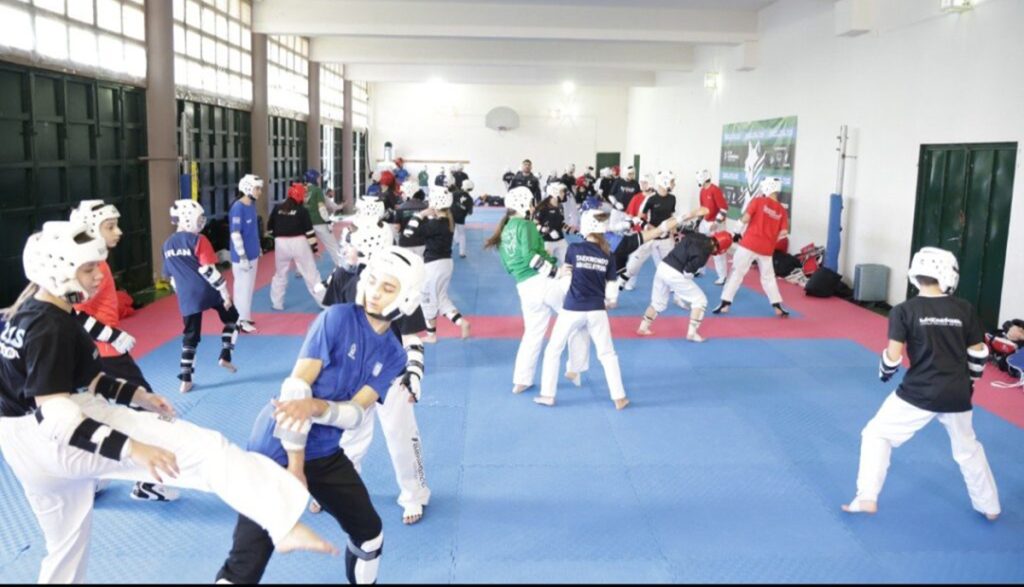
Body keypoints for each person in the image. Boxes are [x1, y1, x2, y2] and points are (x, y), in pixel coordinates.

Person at [0, 221, 336, 584]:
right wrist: (134, 449)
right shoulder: (50, 328)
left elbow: (85, 379)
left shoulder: (29, 311)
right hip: (56, 436)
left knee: (65, 547)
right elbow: (57, 417)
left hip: (22, 448)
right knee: (207, 450)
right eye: (88, 269)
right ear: (58, 271)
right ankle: (281, 521)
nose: (99, 275)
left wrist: (138, 396)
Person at [216, 247, 425, 585]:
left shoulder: (394, 355)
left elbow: (355, 414)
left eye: (388, 287)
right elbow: (296, 390)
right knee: (246, 564)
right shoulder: (337, 318)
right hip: (276, 443)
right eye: (373, 281)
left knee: (370, 534)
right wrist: (295, 467)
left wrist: (317, 408)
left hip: (324, 450)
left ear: (408, 297)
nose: (375, 292)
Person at [842, 247, 1000, 521]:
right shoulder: (964, 308)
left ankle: (867, 496)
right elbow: (978, 354)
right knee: (968, 449)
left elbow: (893, 357)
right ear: (949, 274)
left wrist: (885, 372)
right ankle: (990, 507)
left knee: (876, 434)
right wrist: (970, 382)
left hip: (918, 391)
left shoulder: (904, 310)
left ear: (915, 275)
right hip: (957, 392)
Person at [68, 201, 179, 503]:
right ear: (91, 229)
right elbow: (73, 312)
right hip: (105, 353)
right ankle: (148, 483)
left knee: (94, 412)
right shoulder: (93, 267)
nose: (118, 232)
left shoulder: (93, 263)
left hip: (94, 353)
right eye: (110, 226)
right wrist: (111, 335)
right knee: (150, 408)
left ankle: (92, 479)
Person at [322, 222, 432, 525]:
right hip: (354, 373)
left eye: (352, 246)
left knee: (401, 435)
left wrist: (414, 374)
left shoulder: (401, 283)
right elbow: (332, 321)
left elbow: (411, 337)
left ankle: (414, 493)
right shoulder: (345, 278)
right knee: (349, 436)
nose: (346, 250)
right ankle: (340, 490)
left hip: (393, 375)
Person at [484, 187, 588, 393]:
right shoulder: (525, 225)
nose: (533, 207)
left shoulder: (505, 230)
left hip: (524, 288)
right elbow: (531, 257)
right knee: (578, 320)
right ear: (524, 204)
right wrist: (557, 272)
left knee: (532, 334)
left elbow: (508, 267)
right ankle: (575, 368)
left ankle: (522, 380)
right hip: (544, 282)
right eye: (531, 202)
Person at [536, 210, 628, 410]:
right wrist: (609, 299)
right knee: (608, 354)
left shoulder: (574, 249)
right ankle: (619, 397)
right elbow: (612, 291)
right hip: (597, 309)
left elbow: (567, 278)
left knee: (553, 350)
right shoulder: (608, 254)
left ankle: (548, 395)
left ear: (586, 226)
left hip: (572, 308)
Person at [162, 200, 241, 394]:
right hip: (209, 290)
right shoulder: (199, 240)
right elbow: (208, 270)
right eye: (198, 219)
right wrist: (225, 293)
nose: (201, 223)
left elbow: (171, 278)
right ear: (187, 218)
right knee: (233, 319)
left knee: (190, 336)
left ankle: (186, 379)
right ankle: (225, 355)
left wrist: (183, 294)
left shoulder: (167, 244)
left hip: (187, 295)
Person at [713, 177, 791, 317]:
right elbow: (784, 232)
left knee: (737, 273)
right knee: (768, 278)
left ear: (768, 187)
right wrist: (772, 239)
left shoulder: (758, 201)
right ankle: (777, 305)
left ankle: (725, 303)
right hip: (766, 250)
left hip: (749, 245)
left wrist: (736, 231)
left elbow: (745, 218)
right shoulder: (782, 211)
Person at [637, 230, 733, 342]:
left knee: (658, 302)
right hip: (674, 273)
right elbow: (687, 272)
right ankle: (692, 333)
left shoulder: (698, 235)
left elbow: (683, 233)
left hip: (662, 267)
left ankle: (643, 327)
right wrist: (685, 282)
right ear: (721, 248)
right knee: (700, 300)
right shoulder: (704, 254)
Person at [402, 187, 471, 343]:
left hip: (434, 266)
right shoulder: (448, 221)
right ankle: (462, 322)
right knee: (441, 299)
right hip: (446, 264)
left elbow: (408, 233)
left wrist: (420, 215)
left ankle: (431, 335)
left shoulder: (435, 224)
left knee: (427, 299)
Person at [268, 183, 325, 311]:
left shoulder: (277, 208)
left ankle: (277, 303)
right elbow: (309, 231)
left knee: (280, 274)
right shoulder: (302, 211)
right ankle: (324, 303)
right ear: (300, 195)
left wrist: (278, 238)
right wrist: (314, 249)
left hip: (280, 243)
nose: (305, 197)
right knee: (311, 274)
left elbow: (270, 228)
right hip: (299, 242)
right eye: (304, 194)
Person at [230, 174, 264, 333]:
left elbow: (252, 230)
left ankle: (245, 315)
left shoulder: (251, 205)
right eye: (257, 188)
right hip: (242, 257)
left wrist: (258, 247)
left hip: (252, 253)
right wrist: (242, 255)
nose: (259, 192)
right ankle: (239, 320)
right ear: (248, 188)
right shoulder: (238, 207)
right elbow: (235, 233)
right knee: (242, 288)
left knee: (249, 287)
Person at [696, 169, 731, 285]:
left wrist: (716, 222)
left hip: (717, 224)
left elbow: (724, 208)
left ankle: (722, 276)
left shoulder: (715, 190)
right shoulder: (702, 191)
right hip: (706, 222)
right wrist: (699, 221)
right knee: (702, 246)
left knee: (718, 250)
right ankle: (700, 269)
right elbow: (702, 208)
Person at [305, 168, 344, 268]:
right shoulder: (317, 190)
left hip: (306, 224)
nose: (319, 180)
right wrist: (328, 221)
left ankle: (301, 270)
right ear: (314, 178)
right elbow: (322, 208)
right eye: (318, 178)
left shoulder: (303, 190)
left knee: (306, 247)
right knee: (332, 244)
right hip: (319, 222)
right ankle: (341, 264)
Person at [534, 183, 574, 264]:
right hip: (546, 241)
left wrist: (570, 229)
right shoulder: (542, 208)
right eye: (562, 192)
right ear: (555, 193)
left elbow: (560, 223)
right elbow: (534, 225)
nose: (564, 194)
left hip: (560, 239)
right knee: (546, 265)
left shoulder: (560, 206)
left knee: (569, 263)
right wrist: (547, 230)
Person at [450, 179, 475, 259]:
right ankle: (462, 253)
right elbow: (470, 213)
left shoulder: (455, 193)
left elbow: (449, 202)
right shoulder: (470, 199)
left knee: (450, 234)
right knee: (462, 235)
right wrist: (463, 211)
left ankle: (448, 251)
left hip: (452, 217)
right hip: (461, 218)